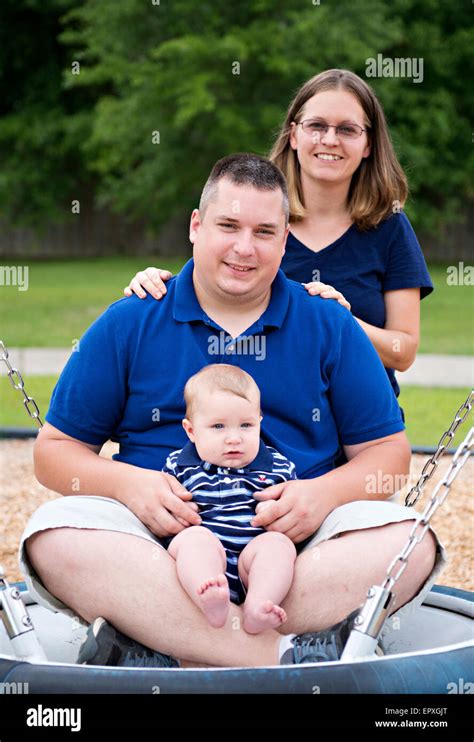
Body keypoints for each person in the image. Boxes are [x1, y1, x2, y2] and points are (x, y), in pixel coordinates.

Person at [19, 153, 444, 670]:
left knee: (411, 541)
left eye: (265, 231)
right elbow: (55, 454)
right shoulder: (133, 318)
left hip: (299, 557)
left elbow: (389, 456)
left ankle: (167, 643)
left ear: (285, 241)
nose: (245, 248)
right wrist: (129, 485)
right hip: (158, 554)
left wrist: (321, 495)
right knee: (55, 535)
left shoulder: (328, 323)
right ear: (196, 227)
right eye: (228, 226)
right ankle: (283, 655)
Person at [123, 69, 432, 413]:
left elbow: (403, 352)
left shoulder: (390, 227)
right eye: (316, 126)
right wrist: (154, 284)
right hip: (262, 415)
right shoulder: (256, 216)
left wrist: (341, 321)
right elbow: (202, 298)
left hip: (356, 415)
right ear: (294, 135)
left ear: (368, 144)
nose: (330, 139)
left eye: (347, 129)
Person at [161, 364, 297, 633]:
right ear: (191, 431)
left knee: (278, 544)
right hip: (204, 556)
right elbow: (165, 505)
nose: (234, 438)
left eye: (246, 425)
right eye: (218, 426)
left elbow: (290, 504)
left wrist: (276, 508)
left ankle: (259, 604)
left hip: (252, 559)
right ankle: (210, 595)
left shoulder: (277, 466)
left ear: (259, 423)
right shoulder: (179, 466)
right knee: (194, 539)